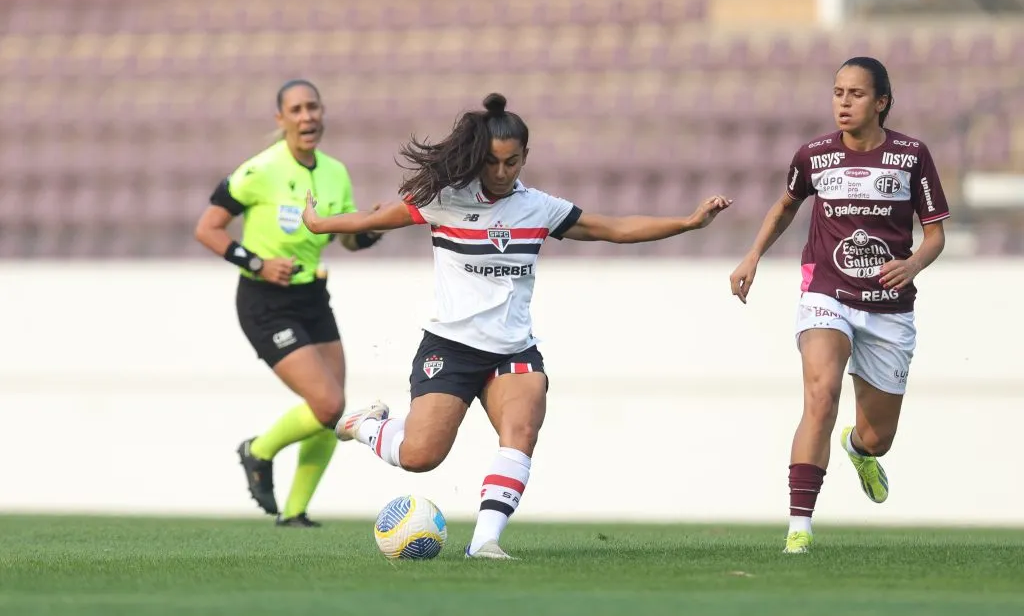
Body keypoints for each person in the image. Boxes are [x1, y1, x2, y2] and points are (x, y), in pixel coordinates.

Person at [300, 92, 732, 558]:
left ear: (526, 157)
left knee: (521, 432)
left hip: (513, 349)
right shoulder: (444, 200)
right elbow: (374, 216)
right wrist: (320, 224)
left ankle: (485, 542)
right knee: (420, 457)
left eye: (512, 162)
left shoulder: (539, 208)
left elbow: (615, 227)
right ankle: (367, 425)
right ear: (476, 158)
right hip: (451, 346)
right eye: (492, 162)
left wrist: (687, 222)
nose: (502, 173)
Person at [728, 57, 950, 554]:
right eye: (837, 93)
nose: (843, 103)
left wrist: (912, 264)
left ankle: (858, 449)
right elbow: (786, 205)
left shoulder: (912, 156)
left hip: (889, 309)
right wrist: (753, 254)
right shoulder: (814, 155)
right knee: (821, 394)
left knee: (878, 438)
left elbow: (935, 235)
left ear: (881, 103)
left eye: (855, 94)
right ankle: (799, 529)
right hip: (826, 294)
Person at [194, 79, 383, 527]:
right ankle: (258, 451)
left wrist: (371, 229)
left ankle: (295, 512)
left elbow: (345, 240)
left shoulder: (336, 172)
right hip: (265, 300)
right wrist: (256, 263)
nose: (307, 117)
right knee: (329, 404)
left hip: (313, 297)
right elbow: (208, 228)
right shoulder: (260, 170)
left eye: (313, 107)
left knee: (332, 407)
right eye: (296, 109)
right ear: (281, 120)